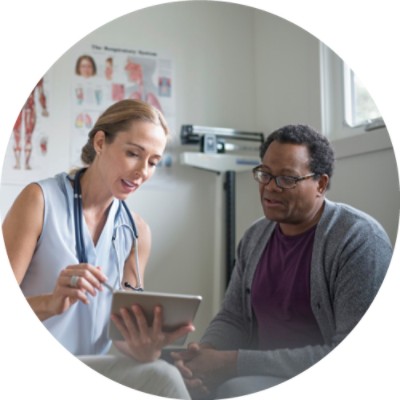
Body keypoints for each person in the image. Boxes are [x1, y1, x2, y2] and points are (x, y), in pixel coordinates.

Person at [172, 124, 393, 399]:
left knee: (232, 390)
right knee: (173, 381)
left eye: (286, 179)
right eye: (265, 174)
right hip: (255, 371)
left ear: (321, 184)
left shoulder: (358, 240)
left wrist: (231, 363)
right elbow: (234, 316)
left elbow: (354, 355)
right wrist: (206, 355)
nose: (269, 188)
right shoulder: (255, 236)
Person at [2, 99, 194, 399]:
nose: (142, 171)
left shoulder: (137, 232)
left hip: (96, 368)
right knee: (163, 380)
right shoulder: (39, 201)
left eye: (153, 162)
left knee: (163, 373)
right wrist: (51, 303)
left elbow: (118, 333)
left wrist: (144, 348)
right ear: (101, 142)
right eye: (133, 153)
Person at [12, 77, 49, 170]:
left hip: (30, 108)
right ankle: (17, 162)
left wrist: (44, 108)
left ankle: (25, 163)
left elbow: (40, 92)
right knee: (17, 134)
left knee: (28, 136)